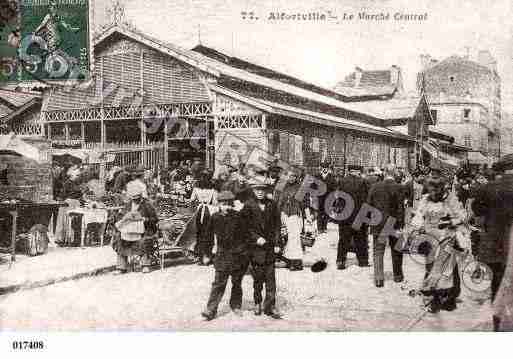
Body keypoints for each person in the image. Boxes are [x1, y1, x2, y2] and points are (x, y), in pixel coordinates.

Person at [408, 175, 468, 313]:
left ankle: (445, 299)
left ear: (442, 189)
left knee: (444, 269)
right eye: (431, 190)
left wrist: (450, 222)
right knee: (431, 267)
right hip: (429, 239)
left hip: (447, 237)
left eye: (436, 191)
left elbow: (462, 216)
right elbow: (418, 216)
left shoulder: (450, 199)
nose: (433, 194)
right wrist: (415, 228)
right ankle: (435, 297)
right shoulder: (425, 199)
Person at [472, 159, 513, 331]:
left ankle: (498, 325)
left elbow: (477, 212)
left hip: (496, 244)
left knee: (497, 282)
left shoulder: (486, 188)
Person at [201, 191, 249, 321]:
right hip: (222, 254)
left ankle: (236, 305)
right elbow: (208, 237)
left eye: (228, 204)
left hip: (238, 255)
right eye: (223, 204)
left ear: (232, 204)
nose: (226, 207)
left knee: (237, 282)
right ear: (219, 204)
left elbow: (246, 236)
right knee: (218, 283)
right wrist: (207, 253)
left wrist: (244, 252)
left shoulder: (238, 217)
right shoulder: (215, 217)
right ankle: (211, 309)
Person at [240, 180, 283, 319]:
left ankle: (270, 305)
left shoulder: (272, 205)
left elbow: (277, 225)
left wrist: (277, 243)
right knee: (258, 278)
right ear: (253, 191)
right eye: (257, 189)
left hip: (270, 247)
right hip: (255, 249)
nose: (259, 192)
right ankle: (257, 302)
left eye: (262, 190)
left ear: (266, 191)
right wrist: (255, 238)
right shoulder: (248, 205)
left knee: (271, 279)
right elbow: (244, 227)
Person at [367, 165, 406, 287]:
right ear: (394, 173)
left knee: (378, 251)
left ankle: (379, 279)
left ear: (384, 173)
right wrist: (400, 225)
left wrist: (369, 222)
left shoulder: (375, 186)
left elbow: (368, 205)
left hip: (378, 222)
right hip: (393, 223)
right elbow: (400, 208)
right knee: (397, 250)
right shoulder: (399, 187)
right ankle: (398, 276)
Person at [113, 181, 159, 274]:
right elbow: (121, 216)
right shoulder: (128, 205)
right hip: (130, 229)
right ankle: (121, 266)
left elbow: (155, 219)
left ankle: (145, 265)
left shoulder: (147, 204)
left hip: (145, 229)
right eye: (133, 199)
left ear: (141, 197)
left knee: (142, 240)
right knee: (119, 238)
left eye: (137, 198)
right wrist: (124, 218)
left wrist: (145, 219)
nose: (135, 200)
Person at [334, 164, 370, 269]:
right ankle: (363, 260)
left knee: (343, 239)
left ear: (349, 171)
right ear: (358, 171)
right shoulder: (364, 182)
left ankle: (340, 261)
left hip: (345, 216)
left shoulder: (341, 181)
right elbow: (367, 200)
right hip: (360, 215)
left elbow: (337, 199)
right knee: (361, 239)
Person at [275, 168, 307, 271]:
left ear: (297, 177)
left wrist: (308, 216)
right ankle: (289, 260)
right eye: (289, 176)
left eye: (293, 176)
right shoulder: (282, 187)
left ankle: (296, 262)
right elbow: (278, 201)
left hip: (295, 215)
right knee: (286, 237)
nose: (291, 178)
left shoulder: (300, 187)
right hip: (284, 214)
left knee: (295, 238)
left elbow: (304, 204)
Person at [189, 172, 217, 265]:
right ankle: (208, 256)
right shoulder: (213, 189)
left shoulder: (196, 189)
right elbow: (215, 202)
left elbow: (192, 200)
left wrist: (197, 203)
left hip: (200, 211)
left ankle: (201, 256)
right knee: (209, 234)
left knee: (200, 234)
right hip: (209, 211)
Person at [315, 161, 335, 233]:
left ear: (328, 169)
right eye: (323, 168)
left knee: (326, 212)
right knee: (320, 212)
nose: (324, 169)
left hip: (328, 197)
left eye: (326, 168)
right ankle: (319, 228)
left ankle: (324, 227)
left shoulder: (331, 177)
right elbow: (313, 186)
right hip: (319, 197)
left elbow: (334, 187)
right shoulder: (317, 176)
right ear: (320, 168)